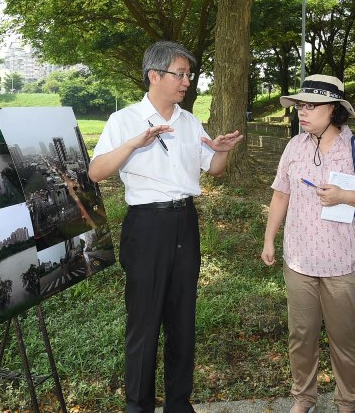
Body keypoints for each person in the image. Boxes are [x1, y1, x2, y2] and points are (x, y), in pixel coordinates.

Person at [88, 41, 243, 413]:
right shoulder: (124, 120)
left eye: (189, 74)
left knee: (182, 320)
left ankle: (179, 404)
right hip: (146, 226)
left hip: (185, 224)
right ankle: (138, 407)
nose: (187, 81)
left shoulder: (190, 122)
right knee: (144, 322)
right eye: (180, 73)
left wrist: (220, 149)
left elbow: (214, 169)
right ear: (154, 75)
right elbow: (96, 172)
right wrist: (135, 143)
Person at [261, 74, 355, 413]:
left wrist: (344, 195)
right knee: (301, 337)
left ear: (333, 109)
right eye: (300, 106)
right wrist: (269, 240)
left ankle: (347, 401)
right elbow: (280, 196)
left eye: (311, 106)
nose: (302, 112)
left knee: (344, 340)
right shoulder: (294, 146)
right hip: (299, 262)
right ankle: (303, 397)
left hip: (345, 264)